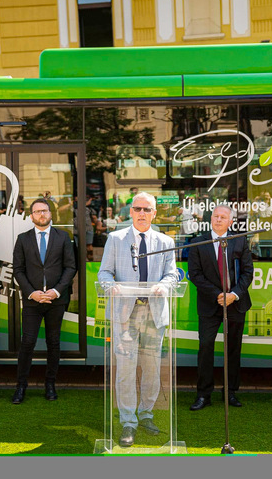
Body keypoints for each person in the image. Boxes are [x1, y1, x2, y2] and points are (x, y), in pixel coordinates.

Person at [97, 192, 179, 448]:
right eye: (137, 209)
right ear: (130, 212)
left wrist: (165, 286)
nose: (142, 213)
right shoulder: (115, 239)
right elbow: (104, 272)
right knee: (125, 369)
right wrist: (110, 286)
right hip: (125, 313)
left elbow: (172, 274)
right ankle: (128, 421)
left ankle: (146, 414)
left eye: (147, 209)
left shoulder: (166, 241)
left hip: (154, 313)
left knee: (152, 369)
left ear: (154, 213)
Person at [11, 198, 77, 404]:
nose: (42, 214)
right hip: (32, 301)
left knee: (53, 342)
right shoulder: (23, 239)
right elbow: (18, 270)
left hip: (56, 301)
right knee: (27, 343)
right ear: (31, 216)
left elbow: (70, 267)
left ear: (51, 214)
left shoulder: (63, 237)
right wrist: (32, 293)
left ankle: (50, 384)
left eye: (45, 211)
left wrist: (56, 291)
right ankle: (21, 386)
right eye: (37, 211)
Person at [188, 205, 253, 410]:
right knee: (205, 347)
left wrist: (233, 295)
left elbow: (247, 272)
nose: (218, 219)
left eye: (223, 217)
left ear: (230, 222)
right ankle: (203, 394)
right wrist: (217, 295)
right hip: (210, 304)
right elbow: (195, 274)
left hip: (236, 303)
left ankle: (230, 392)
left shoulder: (239, 241)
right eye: (215, 216)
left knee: (233, 349)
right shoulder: (199, 242)